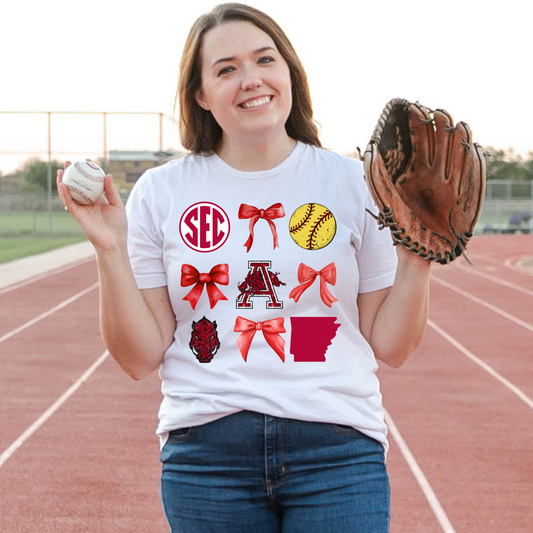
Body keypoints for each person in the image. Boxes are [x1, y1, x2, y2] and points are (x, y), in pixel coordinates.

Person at [57, 3, 431, 532]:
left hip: (338, 451)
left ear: (290, 74)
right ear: (202, 95)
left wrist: (418, 260)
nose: (250, 79)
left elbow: (391, 346)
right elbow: (140, 357)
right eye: (226, 68)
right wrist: (109, 249)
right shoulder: (162, 193)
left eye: (264, 59)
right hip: (207, 455)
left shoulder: (355, 183)